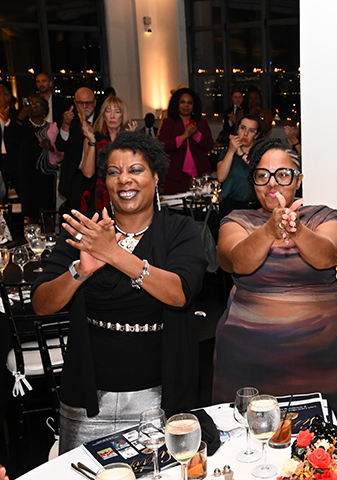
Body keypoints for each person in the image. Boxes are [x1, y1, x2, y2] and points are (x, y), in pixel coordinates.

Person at [32, 131, 207, 453]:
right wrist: (81, 270)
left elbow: (180, 293)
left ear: (156, 177)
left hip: (158, 400)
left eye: (136, 170)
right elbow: (41, 303)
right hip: (88, 398)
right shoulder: (86, 232)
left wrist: (114, 254)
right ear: (106, 182)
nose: (124, 179)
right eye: (114, 172)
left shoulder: (180, 230)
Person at [212, 138, 337, 401]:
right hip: (247, 356)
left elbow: (332, 255)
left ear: (298, 180)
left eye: (282, 174)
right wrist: (269, 230)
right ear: (253, 181)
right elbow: (235, 261)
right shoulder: (237, 220)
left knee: (326, 427)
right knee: (249, 425)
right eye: (262, 175)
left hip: (324, 357)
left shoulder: (324, 217)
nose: (272, 183)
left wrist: (297, 230)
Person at [8, 95, 63, 223]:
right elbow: (12, 137)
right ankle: (32, 233)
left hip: (46, 173)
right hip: (27, 174)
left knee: (48, 210)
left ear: (44, 110)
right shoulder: (23, 125)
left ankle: (49, 233)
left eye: (37, 105)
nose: (33, 107)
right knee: (30, 209)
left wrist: (50, 146)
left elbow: (60, 152)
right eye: (31, 104)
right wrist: (20, 117)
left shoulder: (52, 127)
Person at [79, 95, 137, 211]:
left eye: (117, 112)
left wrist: (129, 139)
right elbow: (88, 173)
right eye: (108, 111)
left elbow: (134, 168)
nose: (112, 116)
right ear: (103, 115)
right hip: (100, 192)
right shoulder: (94, 137)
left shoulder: (128, 137)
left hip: (124, 188)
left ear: (123, 116)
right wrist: (92, 142)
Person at [158, 87, 214, 194]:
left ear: (194, 106)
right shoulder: (168, 122)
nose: (186, 105)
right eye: (182, 102)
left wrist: (196, 134)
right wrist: (183, 136)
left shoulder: (201, 123)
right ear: (177, 104)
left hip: (199, 176)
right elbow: (163, 146)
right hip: (175, 177)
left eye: (189, 103)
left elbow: (209, 145)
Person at [56, 87, 99, 211]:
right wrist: (66, 125)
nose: (85, 106)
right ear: (75, 103)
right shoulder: (69, 118)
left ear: (95, 103)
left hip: (97, 177)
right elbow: (60, 146)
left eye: (88, 103)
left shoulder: (102, 118)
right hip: (74, 177)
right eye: (80, 103)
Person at [216, 114, 262, 218]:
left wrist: (241, 154)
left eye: (251, 130)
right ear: (237, 130)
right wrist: (231, 151)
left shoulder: (261, 153)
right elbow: (221, 177)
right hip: (231, 207)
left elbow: (260, 172)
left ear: (256, 135)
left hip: (255, 207)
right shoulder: (226, 153)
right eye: (243, 128)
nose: (245, 133)